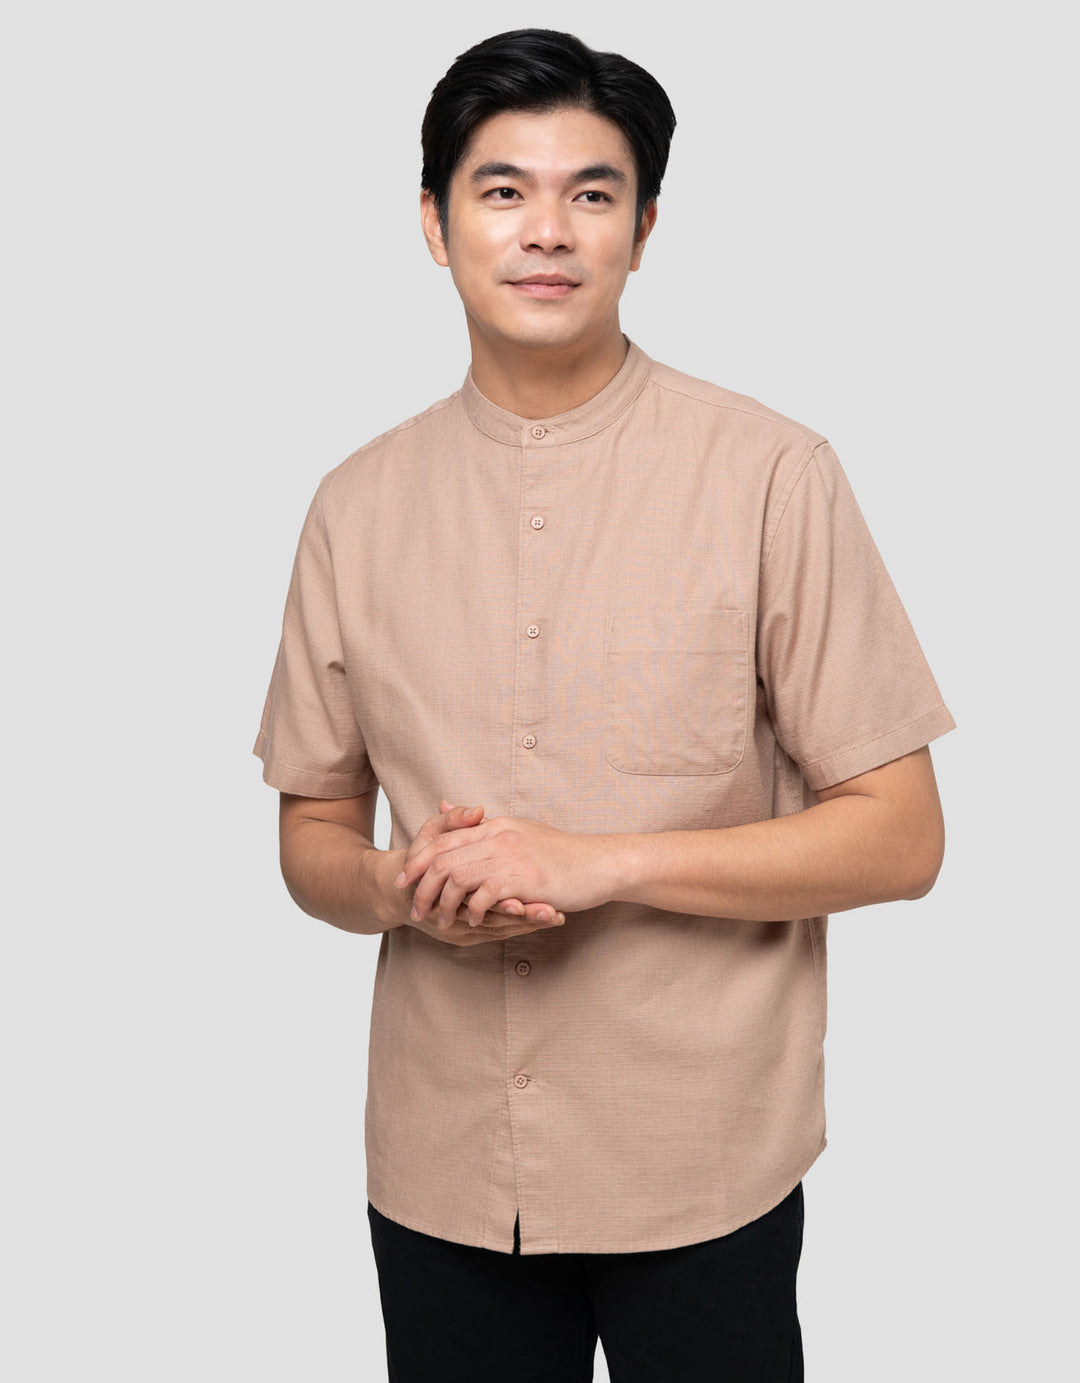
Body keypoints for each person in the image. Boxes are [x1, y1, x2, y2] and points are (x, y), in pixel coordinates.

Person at [252, 27, 955, 1382]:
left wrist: (600, 863)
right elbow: (311, 834)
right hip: (443, 1166)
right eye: (502, 190)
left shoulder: (773, 475)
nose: (547, 231)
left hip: (702, 1161)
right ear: (434, 223)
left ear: (644, 228)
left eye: (592, 192)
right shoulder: (354, 506)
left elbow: (903, 835)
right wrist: (399, 890)